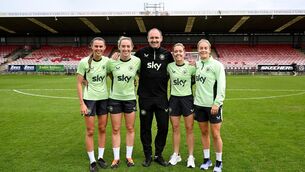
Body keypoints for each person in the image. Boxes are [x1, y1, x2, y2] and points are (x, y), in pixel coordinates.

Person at [134, 28, 174, 167]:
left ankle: (158, 154)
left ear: (161, 38)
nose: (154, 40)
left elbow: (175, 71)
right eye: (152, 38)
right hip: (145, 98)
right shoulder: (140, 53)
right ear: (148, 39)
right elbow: (129, 66)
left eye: (156, 38)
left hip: (162, 98)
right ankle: (148, 156)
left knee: (163, 127)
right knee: (145, 128)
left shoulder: (168, 55)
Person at [107, 36, 141, 169]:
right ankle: (116, 158)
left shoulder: (137, 61)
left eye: (128, 46)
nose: (126, 48)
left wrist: (136, 80)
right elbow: (108, 73)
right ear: (119, 47)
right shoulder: (111, 62)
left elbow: (140, 74)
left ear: (132, 47)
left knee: (130, 128)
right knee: (115, 129)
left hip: (130, 99)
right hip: (115, 99)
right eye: (123, 46)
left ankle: (128, 156)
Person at [76, 37, 109, 172]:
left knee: (102, 128)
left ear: (105, 47)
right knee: (90, 130)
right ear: (91, 47)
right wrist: (81, 103)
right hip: (89, 100)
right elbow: (78, 82)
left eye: (101, 46)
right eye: (96, 46)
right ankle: (92, 161)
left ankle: (100, 157)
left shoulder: (108, 62)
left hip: (104, 99)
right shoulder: (84, 62)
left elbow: (115, 74)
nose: (98, 49)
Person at [194, 39, 226, 172]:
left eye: (205, 48)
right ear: (198, 49)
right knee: (204, 132)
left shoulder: (217, 65)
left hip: (213, 106)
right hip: (199, 105)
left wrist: (217, 103)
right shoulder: (197, 64)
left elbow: (222, 86)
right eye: (201, 48)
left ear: (209, 49)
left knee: (215, 134)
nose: (203, 50)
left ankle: (219, 162)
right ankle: (206, 160)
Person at [167, 43, 196, 168]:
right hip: (174, 100)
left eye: (180, 51)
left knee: (189, 128)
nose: (178, 53)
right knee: (175, 128)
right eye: (176, 51)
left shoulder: (191, 68)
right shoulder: (169, 67)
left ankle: (190, 156)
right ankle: (176, 154)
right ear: (173, 53)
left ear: (184, 53)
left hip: (187, 99)